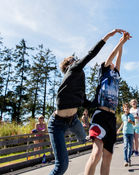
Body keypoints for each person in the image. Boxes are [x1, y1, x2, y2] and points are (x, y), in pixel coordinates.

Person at [48, 29, 124, 175]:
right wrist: (109, 36)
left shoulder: (80, 85)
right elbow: (91, 54)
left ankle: (91, 136)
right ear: (68, 65)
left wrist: (100, 97)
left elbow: (87, 103)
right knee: (62, 165)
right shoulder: (73, 69)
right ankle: (92, 136)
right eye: (72, 59)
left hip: (74, 121)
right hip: (57, 122)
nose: (75, 60)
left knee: (87, 141)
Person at [84, 31, 131, 175]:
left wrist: (123, 42)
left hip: (111, 118)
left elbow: (119, 57)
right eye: (110, 62)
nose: (112, 63)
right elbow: (113, 54)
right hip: (100, 115)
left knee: (108, 157)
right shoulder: (104, 70)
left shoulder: (116, 73)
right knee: (96, 153)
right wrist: (121, 41)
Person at [116, 103, 135, 167]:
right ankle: (125, 160)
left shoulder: (131, 115)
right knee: (125, 146)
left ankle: (129, 158)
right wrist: (119, 129)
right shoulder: (122, 116)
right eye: (125, 108)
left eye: (127, 107)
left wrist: (131, 121)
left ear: (129, 109)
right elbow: (123, 123)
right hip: (125, 132)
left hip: (131, 133)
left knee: (130, 147)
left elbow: (134, 124)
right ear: (123, 109)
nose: (126, 108)